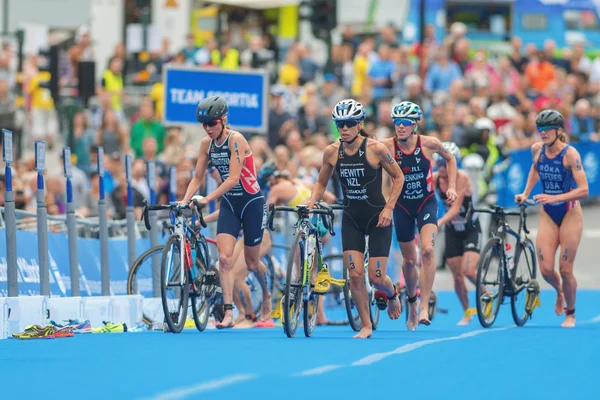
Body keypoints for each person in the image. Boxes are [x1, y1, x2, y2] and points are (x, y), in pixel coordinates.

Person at [307, 98, 405, 339]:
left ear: (360, 123)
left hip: (378, 218)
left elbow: (399, 178)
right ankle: (366, 325)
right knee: (356, 276)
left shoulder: (376, 149)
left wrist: (389, 209)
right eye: (340, 124)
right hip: (351, 219)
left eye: (349, 123)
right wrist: (311, 203)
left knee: (376, 277)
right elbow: (321, 181)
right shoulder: (332, 151)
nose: (344, 128)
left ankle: (392, 293)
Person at [181, 95, 271, 329]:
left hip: (252, 202)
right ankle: (229, 313)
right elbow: (198, 178)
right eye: (204, 125)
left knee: (252, 263)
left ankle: (267, 294)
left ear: (222, 120)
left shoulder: (236, 140)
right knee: (224, 259)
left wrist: (207, 199)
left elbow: (233, 178)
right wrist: (184, 200)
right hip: (230, 205)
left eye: (211, 123)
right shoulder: (205, 144)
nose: (207, 129)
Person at [382, 101, 458, 330]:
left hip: (426, 204)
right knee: (409, 260)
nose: (401, 127)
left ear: (415, 125)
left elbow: (451, 159)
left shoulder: (429, 144)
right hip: (402, 207)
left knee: (426, 250)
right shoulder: (387, 146)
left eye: (405, 123)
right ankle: (412, 301)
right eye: (397, 122)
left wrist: (451, 187)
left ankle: (424, 306)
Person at [515, 109, 588, 328]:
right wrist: (526, 193)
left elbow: (584, 189)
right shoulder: (537, 149)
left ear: (558, 131)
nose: (543, 133)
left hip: (569, 212)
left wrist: (555, 196)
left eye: (547, 130)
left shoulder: (570, 154)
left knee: (565, 268)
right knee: (546, 269)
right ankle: (559, 291)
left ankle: (571, 314)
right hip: (548, 213)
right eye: (540, 129)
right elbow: (534, 170)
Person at [259, 161, 338, 325]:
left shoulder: (276, 188)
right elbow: (331, 198)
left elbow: (267, 210)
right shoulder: (300, 182)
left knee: (302, 274)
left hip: (306, 230)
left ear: (270, 181)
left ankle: (304, 314)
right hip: (320, 227)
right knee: (313, 273)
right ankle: (320, 316)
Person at [433, 142, 482, 325]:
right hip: (452, 230)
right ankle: (468, 312)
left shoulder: (462, 178)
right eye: (439, 163)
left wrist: (437, 223)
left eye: (445, 163)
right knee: (457, 276)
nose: (442, 167)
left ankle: (484, 292)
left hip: (470, 228)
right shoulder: (435, 178)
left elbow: (454, 209)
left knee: (469, 271)